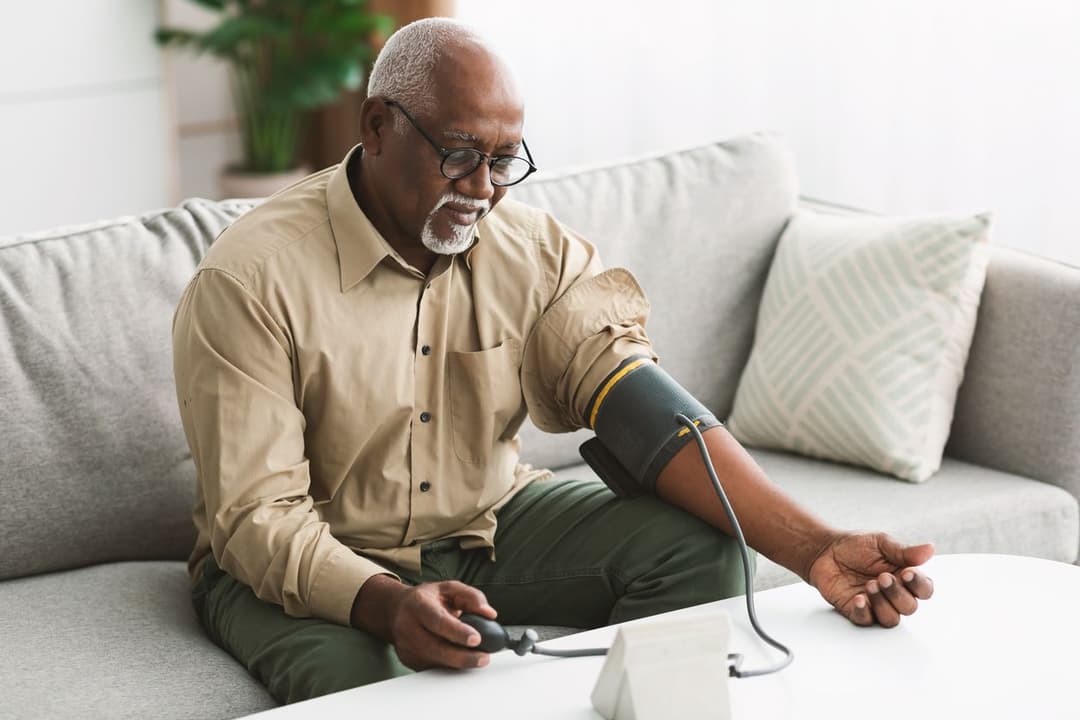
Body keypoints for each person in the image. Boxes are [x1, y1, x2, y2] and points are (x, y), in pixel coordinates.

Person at [172, 17, 934, 705]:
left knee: (705, 556)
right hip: (301, 560)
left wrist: (816, 549)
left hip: (483, 523)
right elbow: (255, 518)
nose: (482, 190)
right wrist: (385, 603)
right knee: (376, 691)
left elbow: (645, 412)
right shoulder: (249, 280)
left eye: (504, 161)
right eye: (460, 155)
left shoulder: (533, 251)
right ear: (377, 125)